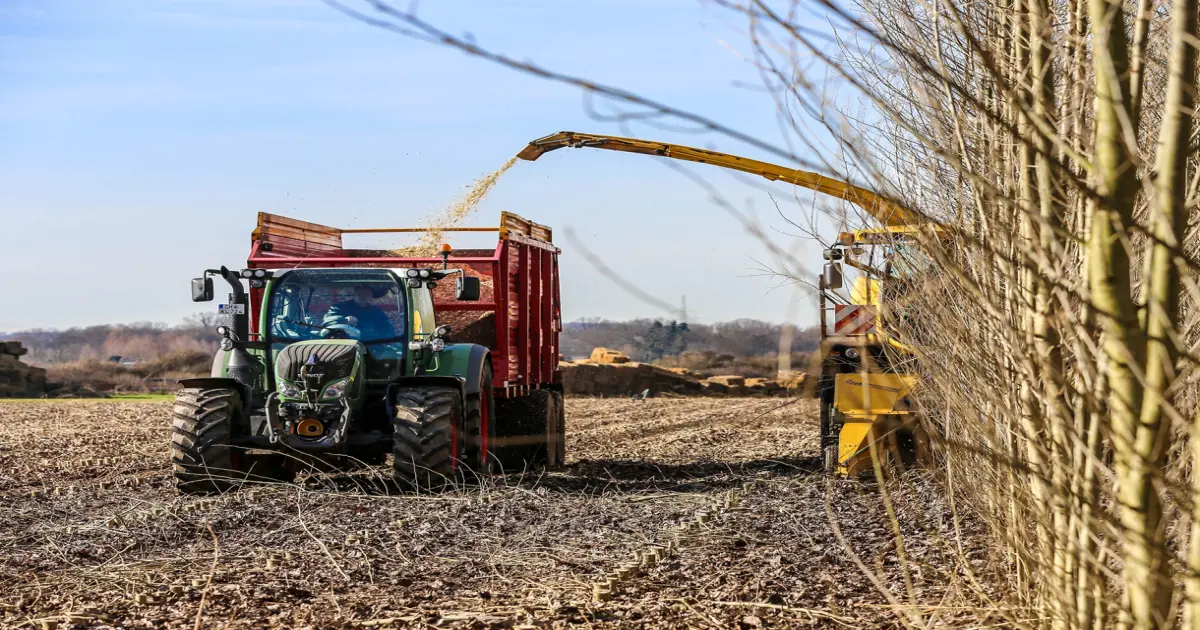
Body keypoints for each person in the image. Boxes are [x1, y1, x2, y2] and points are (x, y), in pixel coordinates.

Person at [325, 286, 395, 340]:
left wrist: (391, 340)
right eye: (360, 294)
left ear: (371, 296)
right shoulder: (339, 307)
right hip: (343, 341)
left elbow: (386, 328)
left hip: (370, 344)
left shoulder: (376, 311)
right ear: (354, 295)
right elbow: (329, 320)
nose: (364, 297)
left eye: (367, 294)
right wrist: (344, 320)